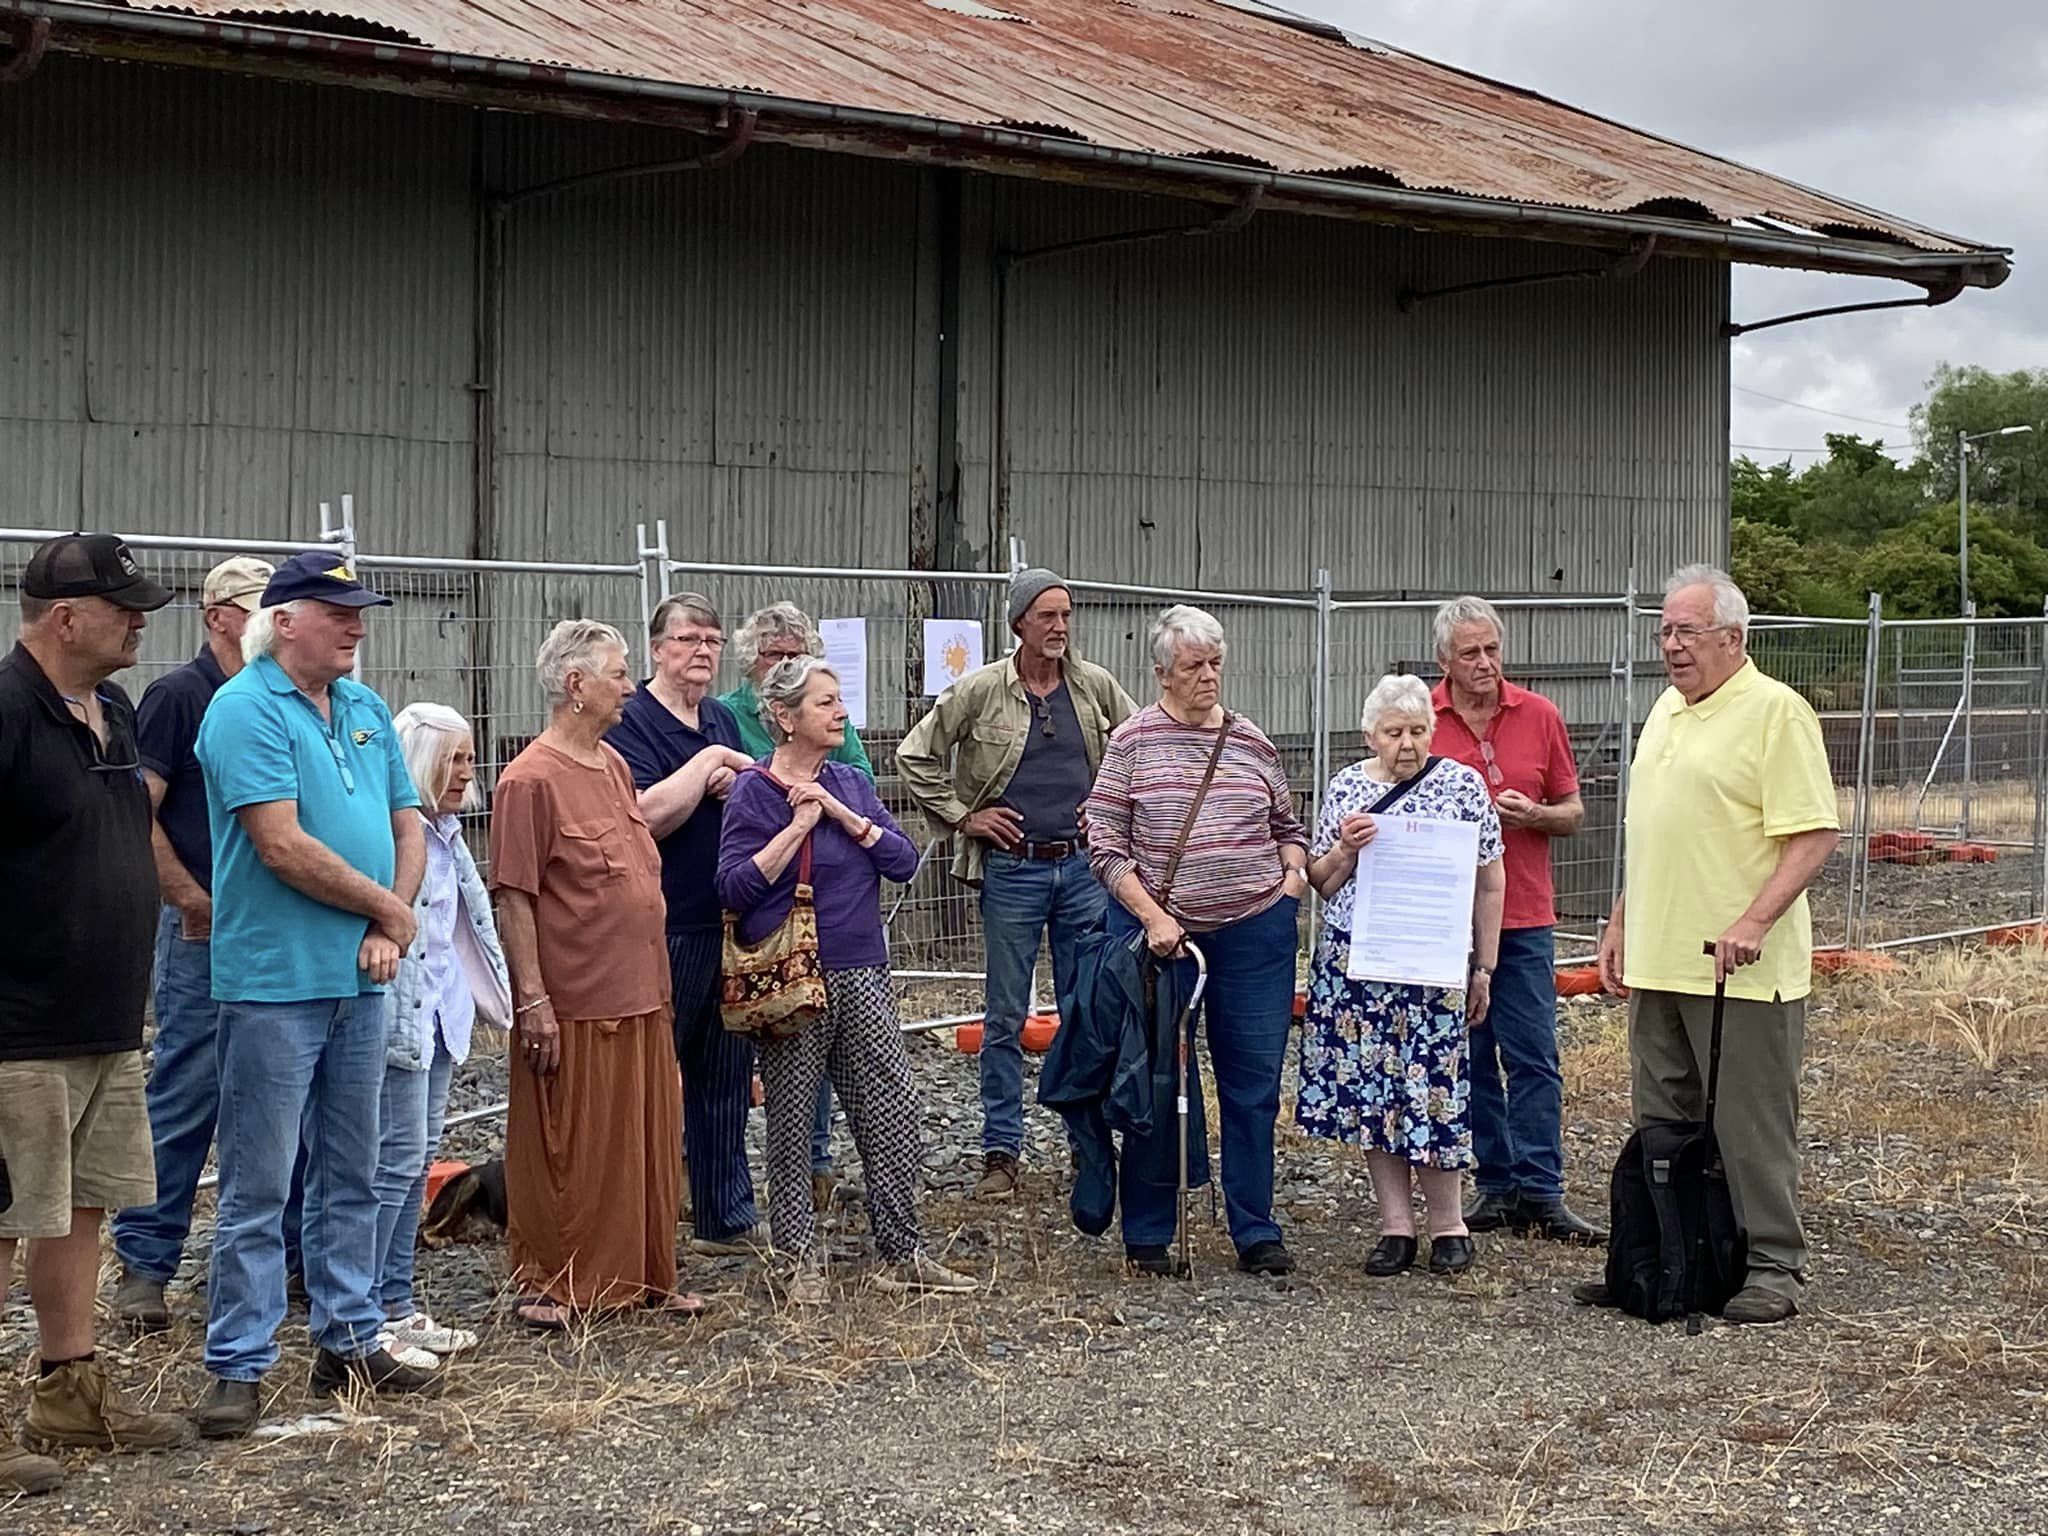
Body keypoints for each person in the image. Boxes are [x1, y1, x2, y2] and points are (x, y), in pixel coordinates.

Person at [189, 551, 440, 1439]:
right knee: (259, 1181)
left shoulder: (366, 708)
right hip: (274, 984)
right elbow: (281, 846)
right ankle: (239, 1363)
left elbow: (409, 822)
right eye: (338, 612)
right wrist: (386, 911)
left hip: (360, 976)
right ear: (283, 618)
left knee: (353, 1168)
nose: (357, 625)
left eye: (359, 611)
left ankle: (347, 1336)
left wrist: (390, 920)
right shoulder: (242, 710)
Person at [1583, 565, 1839, 1326]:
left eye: (1685, 631)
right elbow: (1654, 835)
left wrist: (1754, 921)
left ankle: (1773, 1266)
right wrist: (1622, 919)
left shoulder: (1776, 714)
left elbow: (1814, 834)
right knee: (1663, 1122)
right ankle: (1671, 1260)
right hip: (1660, 960)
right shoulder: (1666, 710)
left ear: (1733, 637)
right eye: (1664, 630)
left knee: (1749, 1123)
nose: (1671, 645)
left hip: (1740, 973)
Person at [0, 533, 193, 1493]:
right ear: (64, 618)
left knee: (82, 1207)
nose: (141, 621)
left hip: (109, 1017)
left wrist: (189, 901)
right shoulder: (5, 712)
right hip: (18, 1025)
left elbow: (130, 835)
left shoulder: (111, 708)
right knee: (3, 1214)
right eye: (124, 607)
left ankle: (68, 1394)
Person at [717, 657, 979, 1305]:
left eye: (840, 701)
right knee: (793, 1114)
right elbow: (733, 887)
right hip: (790, 973)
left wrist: (839, 813)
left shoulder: (852, 784)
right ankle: (798, 1258)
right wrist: (796, 829)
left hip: (861, 966)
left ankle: (902, 1249)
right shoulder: (754, 792)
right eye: (825, 703)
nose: (841, 713)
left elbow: (904, 860)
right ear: (784, 717)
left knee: (891, 1103)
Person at [898, 569, 1137, 1201]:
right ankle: (1002, 1151)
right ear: (1018, 624)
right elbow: (914, 755)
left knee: (1088, 1007)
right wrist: (962, 816)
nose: (1060, 627)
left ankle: (1089, 1150)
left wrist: (1112, 809)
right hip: (1012, 871)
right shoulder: (979, 691)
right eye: (1047, 616)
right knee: (1005, 1014)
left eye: (1066, 615)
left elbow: (1144, 743)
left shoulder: (1094, 688)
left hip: (1086, 868)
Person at [491, 619, 703, 1330]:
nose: (630, 687)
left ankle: (643, 1274)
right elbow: (514, 896)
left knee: (645, 1139)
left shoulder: (612, 766)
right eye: (618, 674)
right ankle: (561, 1283)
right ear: (575, 686)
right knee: (573, 1147)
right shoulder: (528, 781)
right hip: (577, 1002)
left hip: (643, 989)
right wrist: (533, 1000)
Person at [1085, 604, 1308, 1276]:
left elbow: (1287, 825)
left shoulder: (1252, 742)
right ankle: (1149, 1233)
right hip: (1163, 938)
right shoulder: (1131, 743)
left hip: (1255, 929)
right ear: (1161, 674)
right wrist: (1151, 915)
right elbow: (1103, 844)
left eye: (1215, 663)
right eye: (1194, 666)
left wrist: (1294, 878)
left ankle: (1255, 1229)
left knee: (1253, 1084)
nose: (1209, 676)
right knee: (1156, 1081)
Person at [109, 555, 273, 1330]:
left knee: (278, 1102)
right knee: (186, 1093)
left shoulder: (281, 698)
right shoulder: (180, 697)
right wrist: (184, 895)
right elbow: (138, 809)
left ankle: (271, 1262)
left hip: (271, 929)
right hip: (205, 928)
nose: (270, 619)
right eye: (254, 606)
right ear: (218, 616)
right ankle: (145, 1261)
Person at [1297, 674, 1505, 1278]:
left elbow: (1490, 880)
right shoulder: (1346, 788)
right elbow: (1322, 880)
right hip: (1357, 966)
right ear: (1370, 736)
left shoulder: (1462, 787)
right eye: (1394, 733)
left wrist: (1483, 966)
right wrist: (1345, 849)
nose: (1407, 743)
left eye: (1418, 730)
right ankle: (1395, 1226)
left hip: (1431, 967)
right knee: (1370, 1092)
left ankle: (1449, 1224)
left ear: (1433, 732)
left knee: (1434, 1090)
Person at [1428, 597, 1601, 1243]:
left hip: (1524, 913)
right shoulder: (1426, 719)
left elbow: (1575, 810)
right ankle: (1495, 1183)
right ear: (1444, 659)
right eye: (1470, 653)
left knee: (1533, 1054)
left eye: (1493, 650)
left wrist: (1535, 815)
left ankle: (1542, 1188)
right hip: (1449, 916)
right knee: (1468, 1053)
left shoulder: (1540, 715)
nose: (1485, 664)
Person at [605, 595, 759, 1255]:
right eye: (687, 638)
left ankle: (725, 1217)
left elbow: (754, 785)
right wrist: (703, 770)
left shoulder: (721, 716)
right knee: (647, 1076)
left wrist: (730, 777)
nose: (701, 650)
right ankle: (635, 1219)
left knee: (724, 1075)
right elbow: (641, 814)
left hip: (724, 919)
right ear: (657, 649)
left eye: (712, 639)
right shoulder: (631, 722)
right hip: (662, 924)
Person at [719, 601, 874, 1209]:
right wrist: (793, 815)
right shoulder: (730, 717)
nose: (783, 663)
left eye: (795, 655)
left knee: (880, 1087)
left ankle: (824, 1166)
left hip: (847, 938)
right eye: (774, 656)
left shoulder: (842, 754)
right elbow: (733, 866)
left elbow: (862, 786)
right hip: (771, 923)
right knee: (782, 1066)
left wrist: (839, 810)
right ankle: (770, 1210)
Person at [370, 703, 509, 1365]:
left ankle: (396, 1303)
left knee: (412, 1158)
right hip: (402, 1018)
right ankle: (376, 1308)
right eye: (454, 759)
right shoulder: (396, 836)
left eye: (470, 759)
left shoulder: (447, 834)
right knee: (392, 1165)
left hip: (438, 1022)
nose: (466, 773)